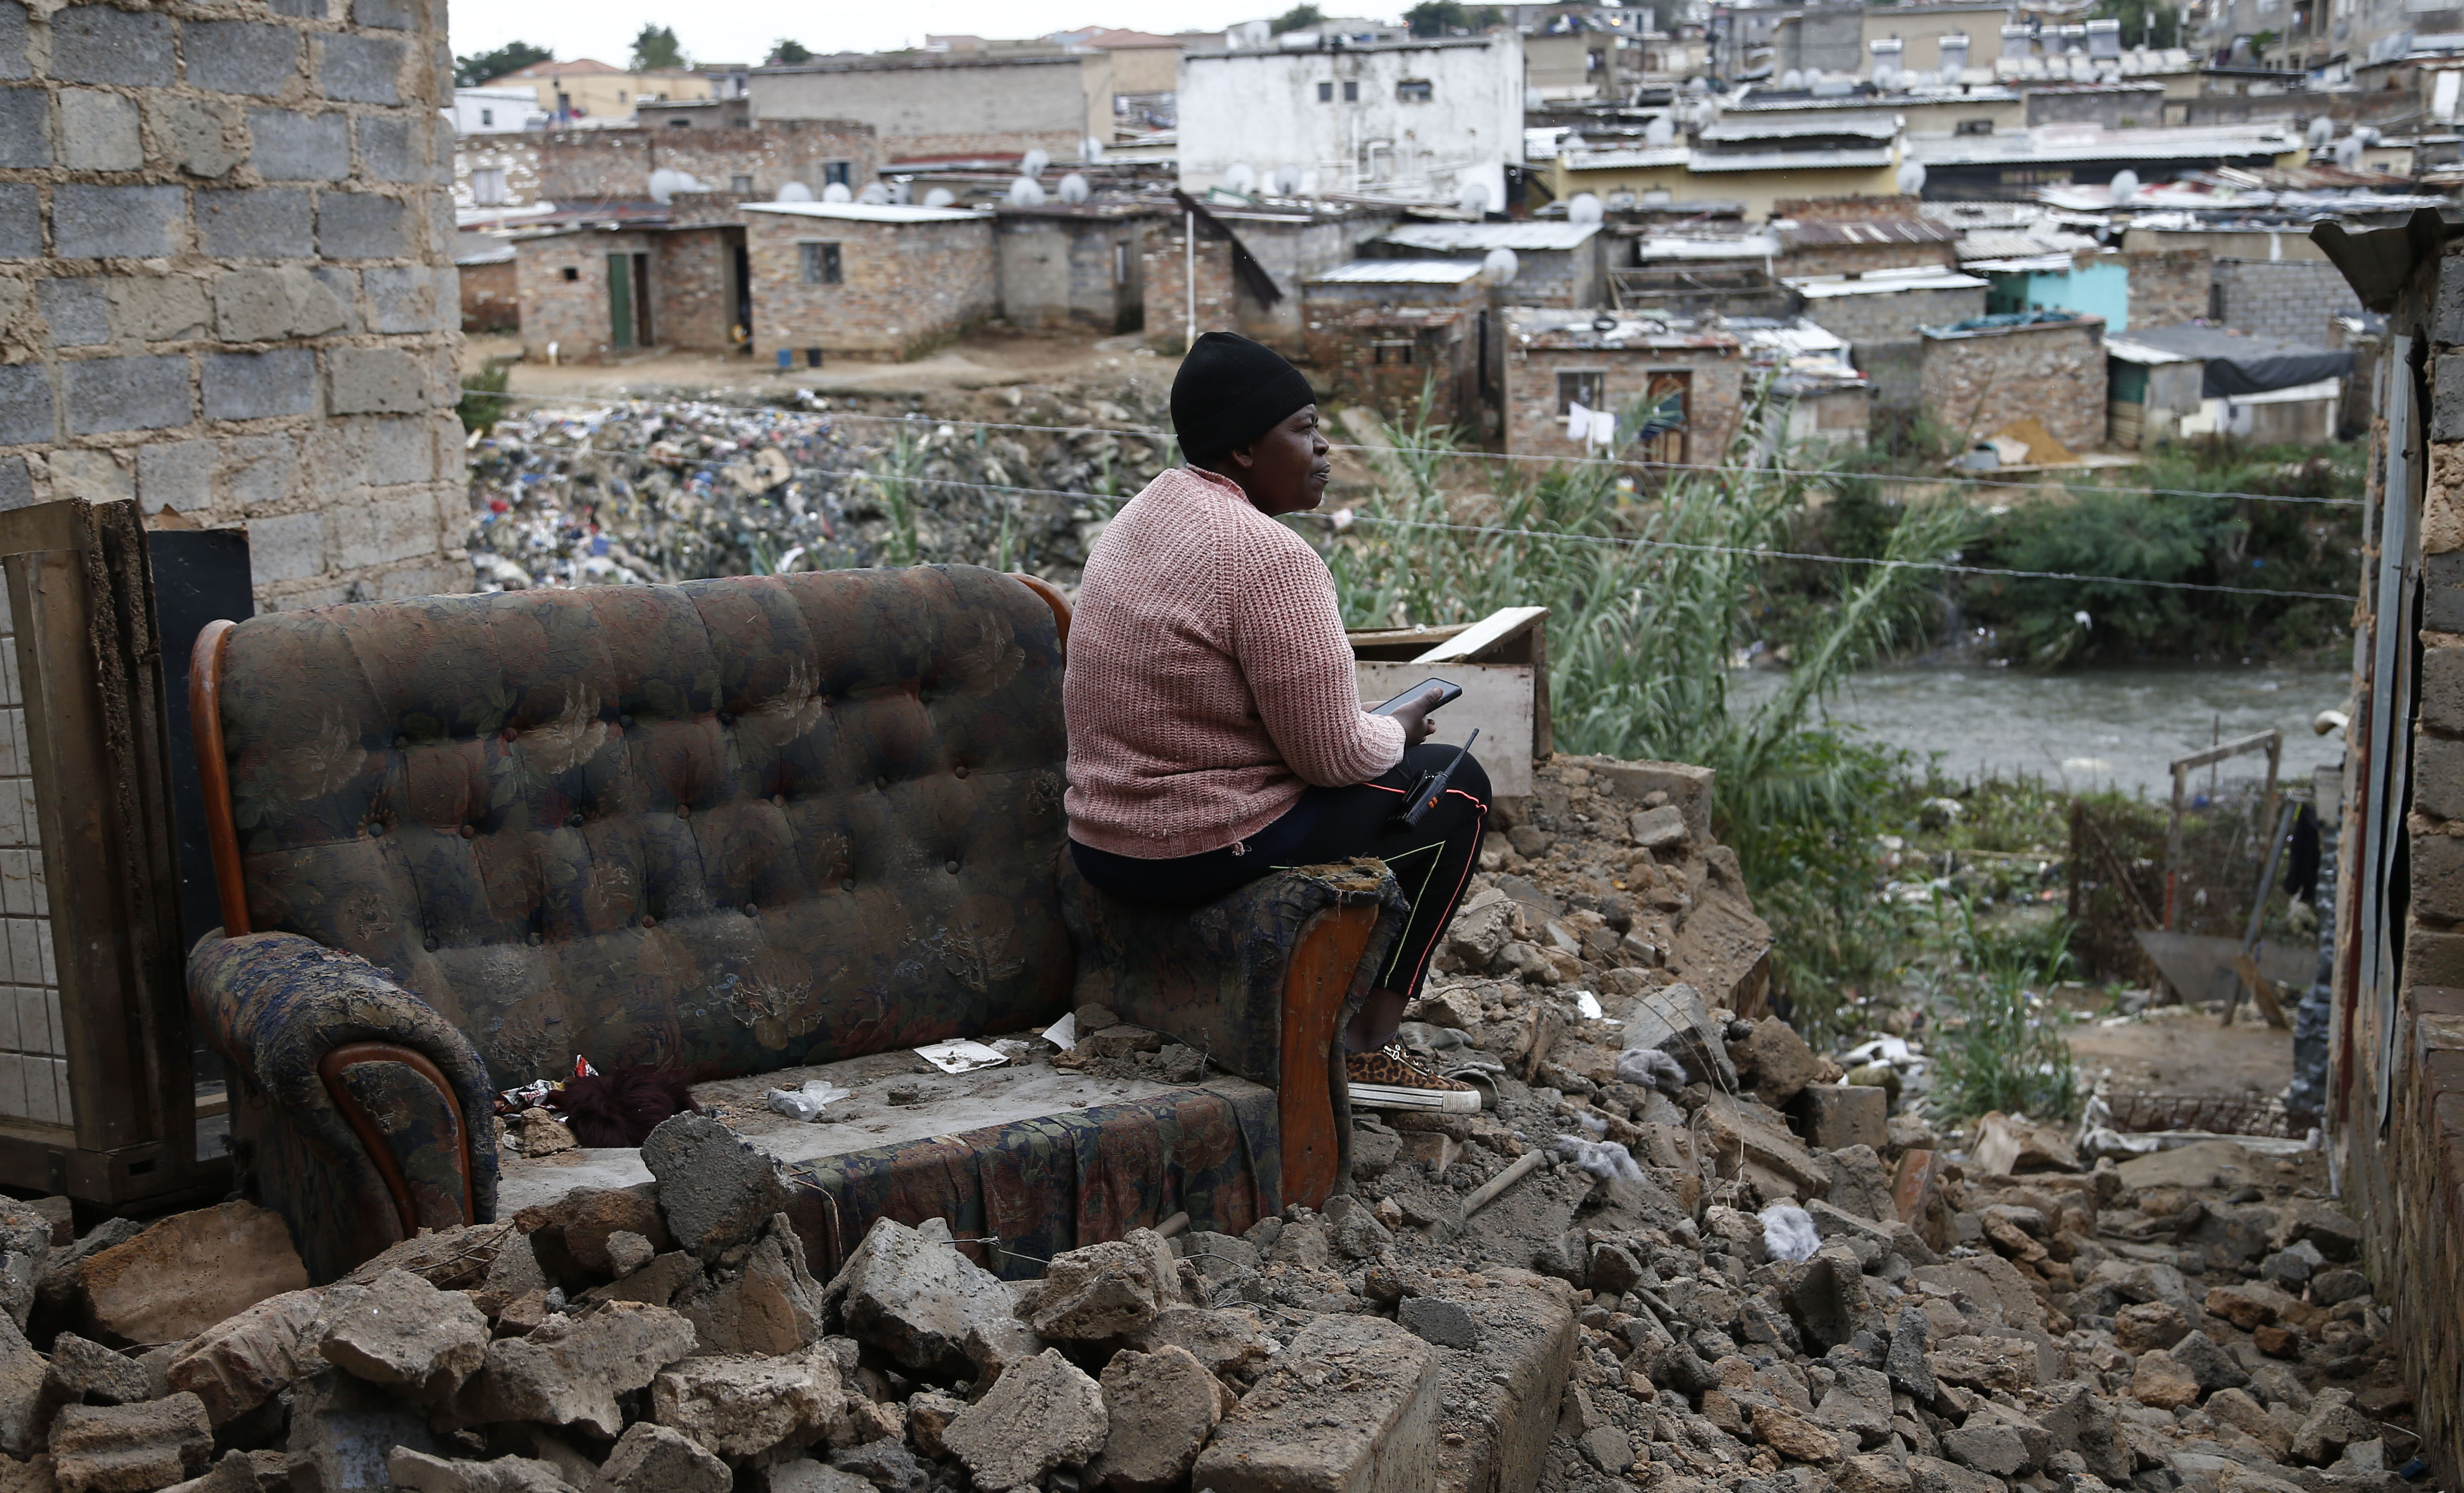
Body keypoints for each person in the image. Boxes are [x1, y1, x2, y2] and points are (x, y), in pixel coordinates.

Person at [1062, 331, 1489, 1114]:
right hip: (1192, 843)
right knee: (1457, 785)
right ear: (1245, 448)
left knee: (1383, 757)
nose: (1324, 446)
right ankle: (1369, 1045)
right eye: (1302, 429)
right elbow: (1332, 757)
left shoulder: (1142, 515)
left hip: (1104, 843)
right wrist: (1398, 726)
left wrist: (1365, 728)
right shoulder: (1266, 554)